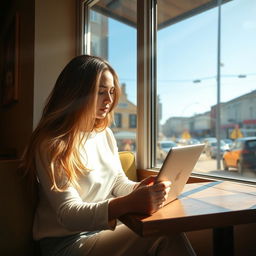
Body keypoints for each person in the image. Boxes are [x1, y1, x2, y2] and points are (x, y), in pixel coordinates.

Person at [21, 55, 196, 256]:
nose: (110, 100)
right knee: (165, 234)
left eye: (112, 92)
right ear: (76, 93)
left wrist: (141, 188)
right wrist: (129, 203)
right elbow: (68, 214)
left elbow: (117, 183)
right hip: (66, 243)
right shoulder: (51, 142)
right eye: (101, 91)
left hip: (101, 232)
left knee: (165, 228)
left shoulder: (105, 134)